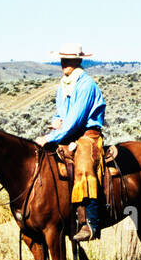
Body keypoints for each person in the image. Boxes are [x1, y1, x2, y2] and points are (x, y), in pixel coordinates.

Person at [35, 44, 106, 241]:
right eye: (62, 59)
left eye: (68, 59)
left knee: (83, 166)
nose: (63, 63)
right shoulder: (65, 84)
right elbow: (61, 115)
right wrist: (55, 121)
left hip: (86, 134)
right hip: (67, 133)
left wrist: (50, 137)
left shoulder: (86, 84)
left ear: (78, 61)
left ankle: (90, 222)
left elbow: (76, 120)